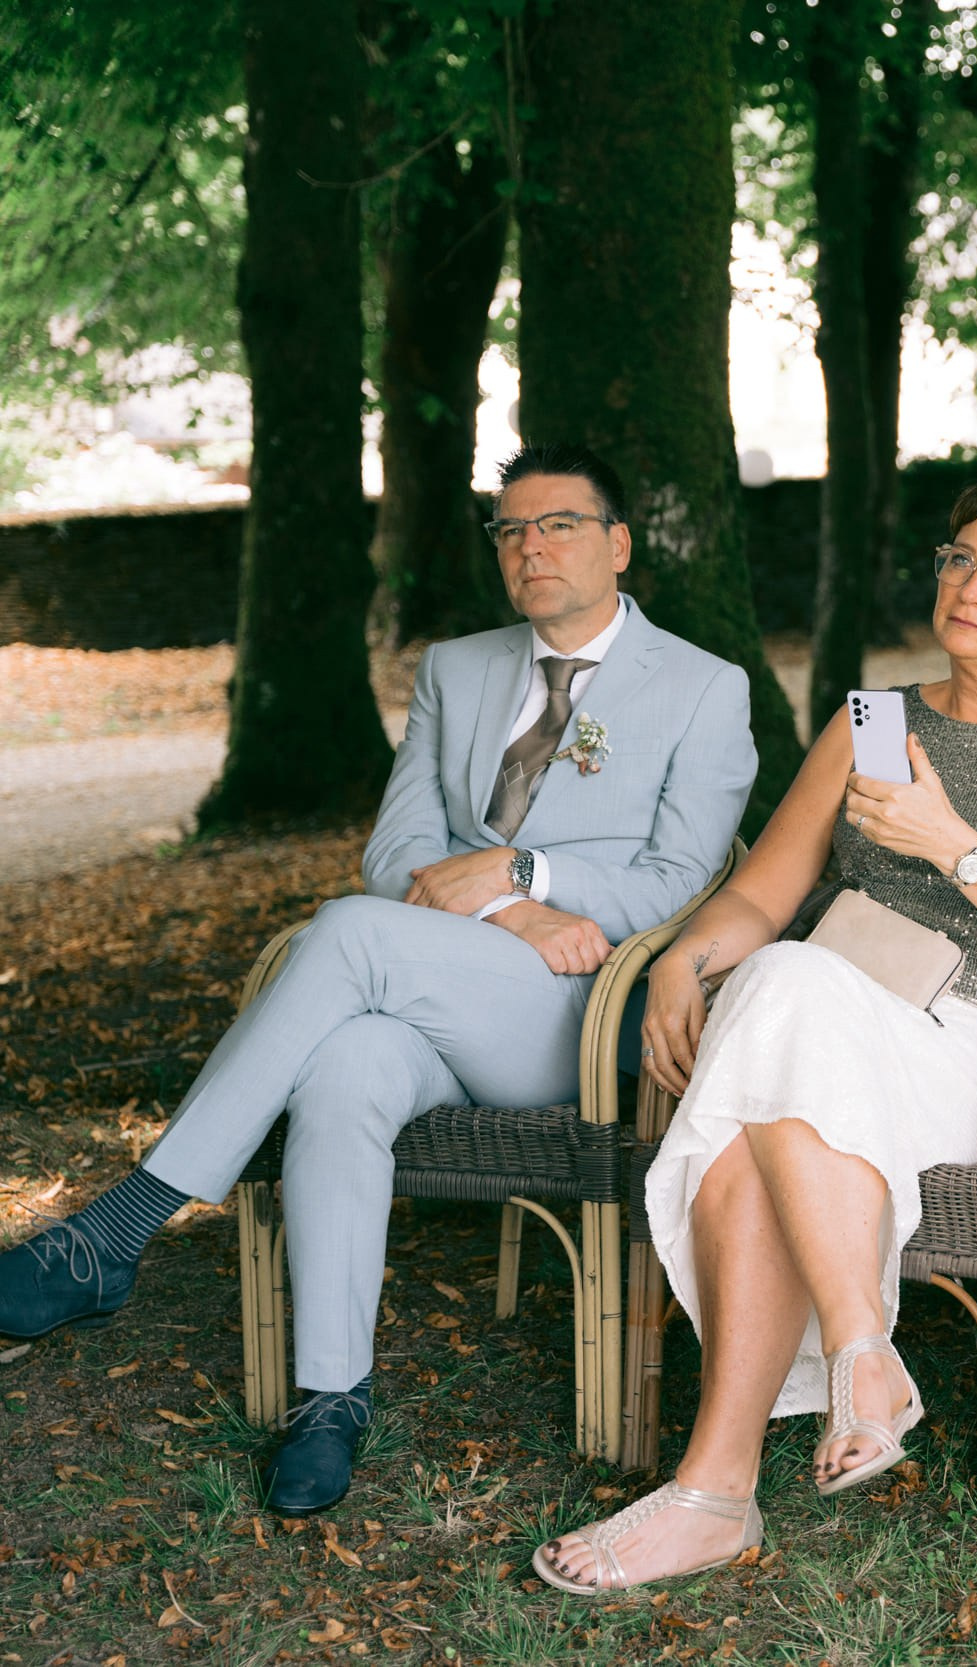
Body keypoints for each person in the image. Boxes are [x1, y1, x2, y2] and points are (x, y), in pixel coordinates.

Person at [0, 444, 757, 1513]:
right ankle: (329, 1398)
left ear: (618, 543)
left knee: (349, 936)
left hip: (577, 1013)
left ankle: (122, 1225)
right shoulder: (458, 667)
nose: (530, 547)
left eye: (558, 526)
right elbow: (396, 848)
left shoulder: (702, 688)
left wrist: (521, 863)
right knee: (344, 1069)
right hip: (442, 973)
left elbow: (679, 883)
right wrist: (515, 905)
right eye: (510, 530)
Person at [535, 472, 977, 1592]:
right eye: (960, 558)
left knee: (774, 1020)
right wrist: (683, 955)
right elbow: (763, 891)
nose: (971, 587)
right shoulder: (875, 719)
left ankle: (721, 1479)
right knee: (776, 1007)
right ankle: (830, 1386)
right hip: (824, 1025)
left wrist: (954, 844)